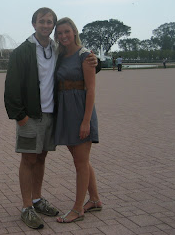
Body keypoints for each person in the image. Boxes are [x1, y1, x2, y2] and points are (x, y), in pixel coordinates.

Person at [4, 7, 98, 230]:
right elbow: (11, 88)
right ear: (34, 24)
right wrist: (21, 117)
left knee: (42, 158)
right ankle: (27, 207)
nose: (46, 25)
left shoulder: (56, 49)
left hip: (51, 115)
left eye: (49, 22)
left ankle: (37, 199)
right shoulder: (22, 52)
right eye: (41, 21)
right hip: (30, 116)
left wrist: (97, 61)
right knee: (28, 160)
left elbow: (78, 60)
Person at [53, 17, 102, 224]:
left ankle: (77, 209)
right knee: (81, 160)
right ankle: (96, 200)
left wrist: (86, 122)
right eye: (60, 33)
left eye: (67, 31)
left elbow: (91, 89)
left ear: (74, 31)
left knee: (80, 162)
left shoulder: (85, 55)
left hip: (81, 111)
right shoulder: (60, 55)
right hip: (66, 111)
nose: (63, 36)